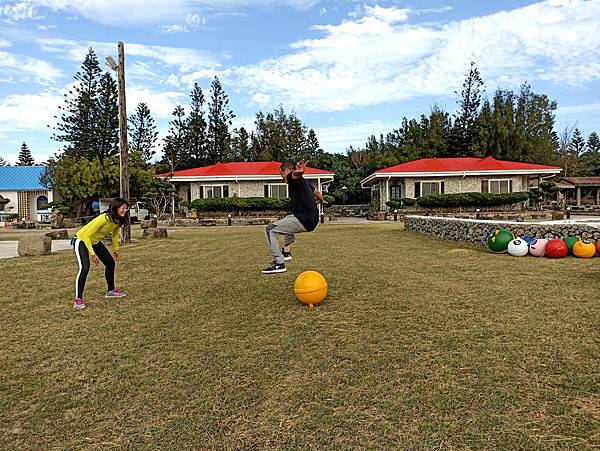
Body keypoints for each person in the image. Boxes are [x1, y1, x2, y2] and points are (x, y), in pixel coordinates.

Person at [263, 160, 328, 274]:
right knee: (288, 218)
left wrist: (300, 171)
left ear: (286, 170)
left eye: (281, 174)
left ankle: (279, 263)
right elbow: (317, 192)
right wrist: (322, 201)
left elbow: (295, 175)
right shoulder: (305, 182)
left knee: (270, 229)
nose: (282, 177)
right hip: (311, 219)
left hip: (304, 220)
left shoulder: (292, 178)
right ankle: (287, 252)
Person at [72, 197, 129, 310]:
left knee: (110, 263)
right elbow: (87, 236)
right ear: (115, 207)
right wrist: (93, 255)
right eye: (123, 208)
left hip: (95, 241)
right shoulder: (104, 218)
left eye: (126, 209)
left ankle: (111, 291)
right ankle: (78, 299)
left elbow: (115, 234)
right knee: (85, 268)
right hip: (81, 240)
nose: (125, 210)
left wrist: (115, 249)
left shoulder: (118, 219)